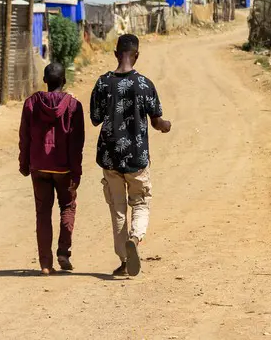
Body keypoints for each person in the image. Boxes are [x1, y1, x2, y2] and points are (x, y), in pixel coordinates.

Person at [90, 34, 171, 277]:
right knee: (141, 202)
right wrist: (165, 125)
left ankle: (124, 261)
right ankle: (135, 239)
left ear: (116, 54)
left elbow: (95, 119)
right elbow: (157, 122)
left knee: (117, 209)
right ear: (136, 55)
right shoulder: (145, 84)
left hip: (110, 157)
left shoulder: (103, 83)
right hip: (137, 158)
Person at [19, 62, 85, 275]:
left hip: (39, 166)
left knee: (42, 213)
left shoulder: (31, 104)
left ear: (45, 81)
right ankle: (63, 252)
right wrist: (76, 171)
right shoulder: (74, 106)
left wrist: (24, 163)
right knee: (67, 206)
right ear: (64, 81)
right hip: (64, 168)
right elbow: (77, 143)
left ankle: (46, 264)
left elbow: (24, 137)